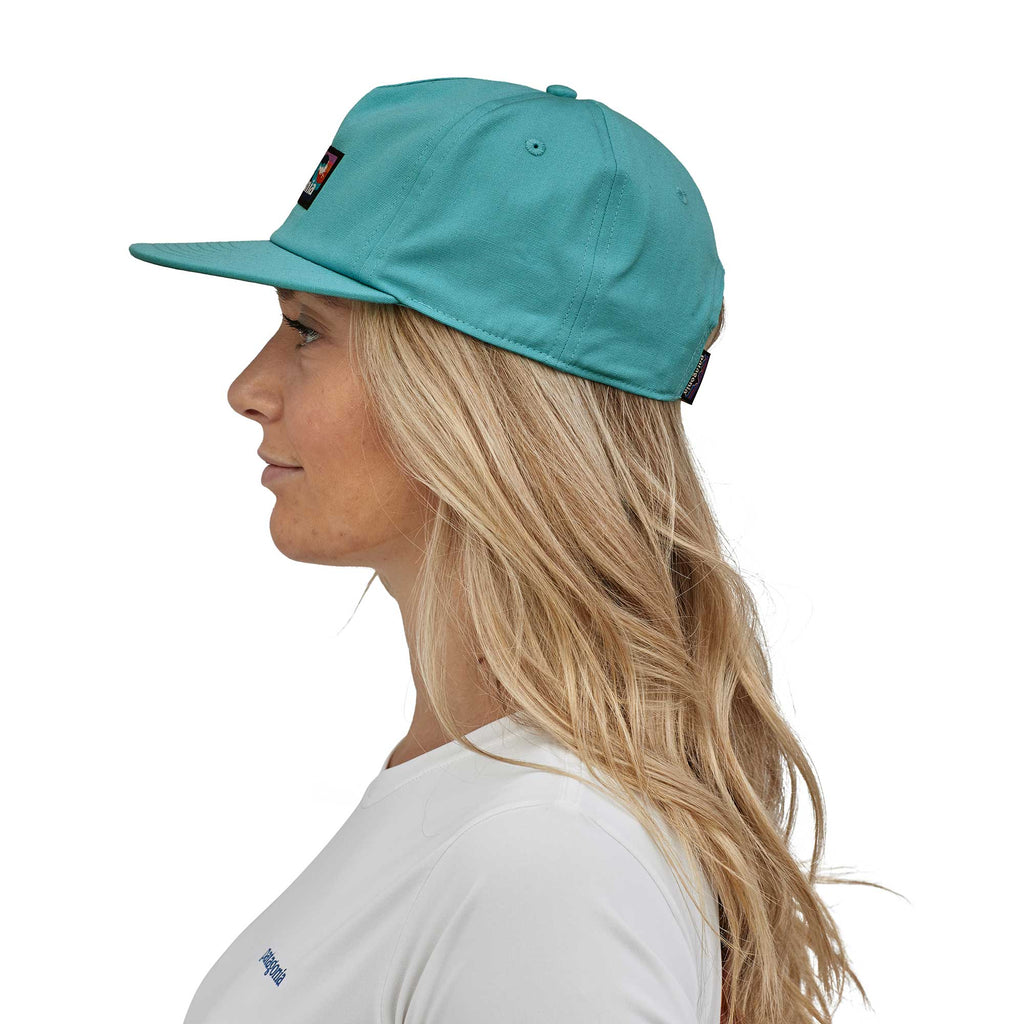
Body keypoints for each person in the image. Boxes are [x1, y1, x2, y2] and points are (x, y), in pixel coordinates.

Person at [129, 76, 882, 1024]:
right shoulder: (489, 796)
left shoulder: (548, 857)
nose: (249, 388)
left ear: (471, 398)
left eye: (306, 330)